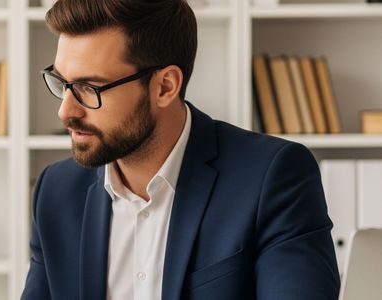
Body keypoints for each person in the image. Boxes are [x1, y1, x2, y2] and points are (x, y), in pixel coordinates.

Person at [21, 0, 340, 299]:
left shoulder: (272, 177)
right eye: (62, 83)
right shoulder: (56, 192)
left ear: (165, 87)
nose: (65, 112)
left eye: (89, 88)